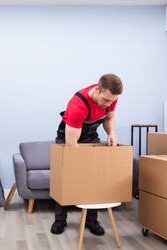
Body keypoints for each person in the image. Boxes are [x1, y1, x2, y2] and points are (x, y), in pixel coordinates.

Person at [51, 73, 123, 235]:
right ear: (97, 90)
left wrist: (111, 133)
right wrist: (80, 166)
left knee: (93, 176)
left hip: (90, 135)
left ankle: (92, 221)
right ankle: (59, 220)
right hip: (69, 136)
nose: (108, 104)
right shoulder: (78, 105)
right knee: (66, 177)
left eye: (111, 101)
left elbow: (109, 117)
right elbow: (71, 143)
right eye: (105, 100)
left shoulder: (111, 96)